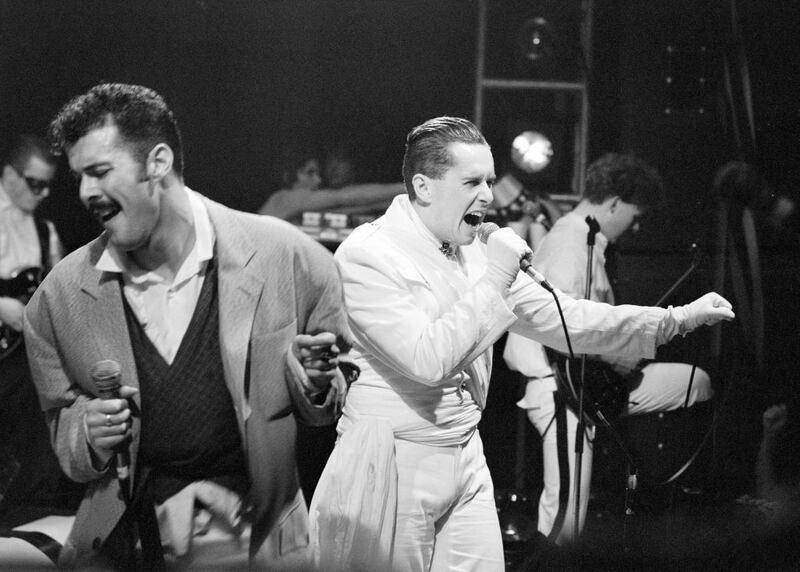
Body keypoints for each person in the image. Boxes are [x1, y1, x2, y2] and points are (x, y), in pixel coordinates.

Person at [308, 117, 734, 571]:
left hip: (465, 450)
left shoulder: (474, 250)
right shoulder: (369, 253)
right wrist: (496, 275)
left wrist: (675, 320)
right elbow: (427, 359)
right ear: (423, 186)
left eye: (490, 181)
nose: (488, 196)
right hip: (395, 459)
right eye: (472, 182)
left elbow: (568, 317)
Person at [23, 83, 354, 569]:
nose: (85, 192)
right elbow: (66, 439)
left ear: (158, 162)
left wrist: (317, 383)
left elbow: (335, 403)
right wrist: (87, 431)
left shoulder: (288, 257)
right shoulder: (60, 298)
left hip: (257, 540)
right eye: (79, 177)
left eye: (100, 172)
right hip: (127, 546)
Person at [504, 152, 716, 545]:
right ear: (615, 203)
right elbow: (564, 331)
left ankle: (665, 487)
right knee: (566, 519)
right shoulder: (569, 244)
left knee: (695, 383)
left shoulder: (582, 238)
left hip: (590, 383)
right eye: (635, 214)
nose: (636, 225)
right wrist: (621, 351)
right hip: (561, 389)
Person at [0, 134, 68, 514]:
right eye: (35, 183)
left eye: (47, 185)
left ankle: (34, 509)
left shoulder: (46, 230)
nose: (43, 193)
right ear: (10, 175)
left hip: (23, 352)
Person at [258, 147, 403, 223]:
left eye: (318, 173)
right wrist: (407, 187)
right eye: (310, 173)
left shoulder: (297, 208)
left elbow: (350, 207)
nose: (318, 180)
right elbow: (342, 198)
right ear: (288, 176)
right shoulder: (283, 198)